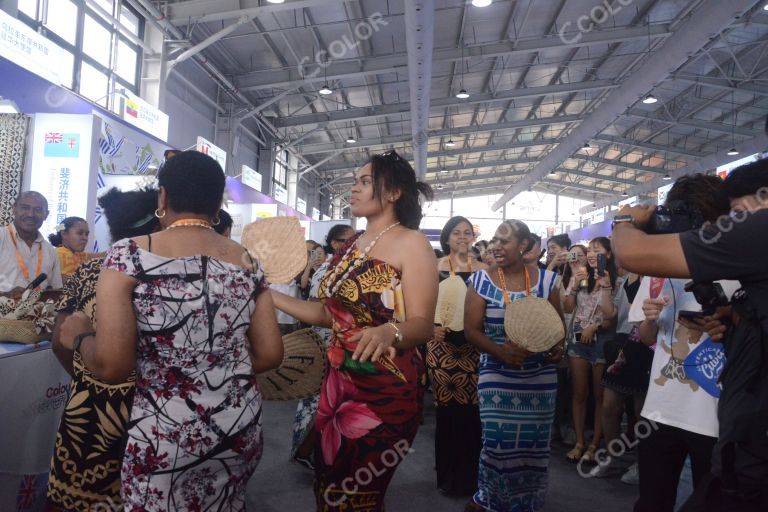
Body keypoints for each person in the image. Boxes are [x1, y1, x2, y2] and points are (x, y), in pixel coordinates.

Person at [57, 150, 284, 511]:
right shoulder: (247, 261)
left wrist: (81, 336)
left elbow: (113, 367)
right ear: (218, 202)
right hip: (239, 426)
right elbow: (271, 353)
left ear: (163, 197)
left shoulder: (129, 254)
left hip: (166, 434)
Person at [271, 150, 437, 511]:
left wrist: (388, 332)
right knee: (328, 487)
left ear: (393, 193)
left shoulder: (413, 243)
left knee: (359, 496)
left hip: (384, 389)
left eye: (365, 182)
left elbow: (423, 325)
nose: (354, 188)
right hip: (337, 388)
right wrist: (268, 295)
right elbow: (328, 315)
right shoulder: (351, 247)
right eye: (356, 181)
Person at [612, 165, 768, 512]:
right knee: (653, 501)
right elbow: (646, 337)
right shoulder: (660, 274)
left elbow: (628, 251)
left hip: (718, 418)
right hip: (661, 410)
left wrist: (624, 220)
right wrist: (651, 320)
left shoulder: (742, 267)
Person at [46, 187, 161, 511]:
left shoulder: (89, 271)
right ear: (156, 226)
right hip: (153, 414)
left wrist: (91, 371)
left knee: (77, 496)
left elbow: (60, 341)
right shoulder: (168, 274)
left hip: (89, 413)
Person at [464, 219, 565, 512]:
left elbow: (557, 329)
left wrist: (557, 349)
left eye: (504, 241)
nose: (496, 246)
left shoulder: (548, 282)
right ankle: (490, 498)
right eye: (494, 240)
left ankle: (527, 502)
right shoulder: (481, 281)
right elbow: (471, 330)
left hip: (540, 378)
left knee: (534, 447)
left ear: (523, 246)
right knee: (497, 444)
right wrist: (501, 353)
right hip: (496, 374)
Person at [427, 216, 488, 496]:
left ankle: (470, 477)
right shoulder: (434, 267)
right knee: (448, 412)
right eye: (456, 232)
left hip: (475, 349)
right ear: (447, 238)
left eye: (467, 232)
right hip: (441, 352)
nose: (462, 237)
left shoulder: (485, 270)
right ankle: (447, 477)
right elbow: (418, 304)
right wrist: (431, 327)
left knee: (473, 414)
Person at [291, 224, 356, 471]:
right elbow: (316, 309)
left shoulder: (354, 268)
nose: (355, 243)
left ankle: (325, 450)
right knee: (319, 399)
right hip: (326, 343)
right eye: (348, 240)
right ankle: (307, 449)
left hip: (345, 343)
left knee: (338, 401)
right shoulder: (325, 271)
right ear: (336, 244)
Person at [589, 270, 653, 484]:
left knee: (640, 412)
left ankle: (641, 462)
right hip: (621, 343)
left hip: (647, 345)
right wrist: (606, 288)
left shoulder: (655, 276)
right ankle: (613, 457)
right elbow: (610, 314)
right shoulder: (625, 278)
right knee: (609, 407)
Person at [563, 237, 617, 464]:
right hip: (578, 337)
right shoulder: (583, 276)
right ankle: (579, 441)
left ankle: (595, 443)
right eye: (591, 250)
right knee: (579, 393)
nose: (593, 254)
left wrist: (595, 326)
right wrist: (575, 284)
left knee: (600, 396)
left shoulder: (614, 280)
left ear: (609, 254)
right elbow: (567, 307)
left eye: (598, 250)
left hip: (602, 338)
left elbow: (613, 317)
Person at [0, 191, 62, 298]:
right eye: (25, 208)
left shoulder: (49, 250)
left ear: (46, 215)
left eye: (38, 210)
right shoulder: (2, 237)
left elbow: (56, 289)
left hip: (37, 313)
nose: (30, 214)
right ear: (14, 209)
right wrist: (5, 295)